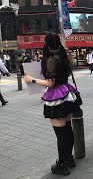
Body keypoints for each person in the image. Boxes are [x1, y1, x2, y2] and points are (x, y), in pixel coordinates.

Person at [24, 33, 79, 175]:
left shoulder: (50, 60)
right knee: (67, 130)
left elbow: (50, 83)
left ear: (47, 45)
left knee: (61, 134)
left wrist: (32, 80)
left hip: (57, 98)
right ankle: (69, 158)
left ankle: (62, 164)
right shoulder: (62, 56)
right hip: (67, 94)